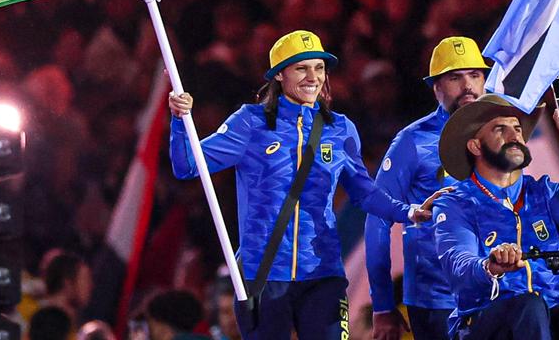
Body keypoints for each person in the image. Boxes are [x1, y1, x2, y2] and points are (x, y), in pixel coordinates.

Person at [168, 30, 439, 339]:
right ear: (280, 75)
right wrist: (179, 120)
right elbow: (187, 165)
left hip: (322, 273)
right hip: (264, 276)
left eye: (319, 68)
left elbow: (364, 193)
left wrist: (409, 211)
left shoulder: (340, 129)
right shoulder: (250, 123)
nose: (314, 77)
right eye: (302, 68)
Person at [432, 93, 559, 340]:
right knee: (529, 306)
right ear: (476, 146)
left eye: (517, 129)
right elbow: (458, 263)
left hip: (551, 313)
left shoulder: (542, 192)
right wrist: (489, 266)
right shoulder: (455, 203)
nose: (514, 136)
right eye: (500, 129)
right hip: (487, 321)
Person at [365, 36, 490, 340]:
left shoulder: (500, 134)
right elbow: (377, 218)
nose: (468, 85)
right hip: (437, 300)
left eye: (475, 75)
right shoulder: (411, 142)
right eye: (454, 77)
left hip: (496, 291)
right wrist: (382, 305)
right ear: (436, 87)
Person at [37, 249, 93, 325]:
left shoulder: (78, 326)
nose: (91, 286)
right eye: (86, 280)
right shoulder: (35, 321)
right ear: (67, 284)